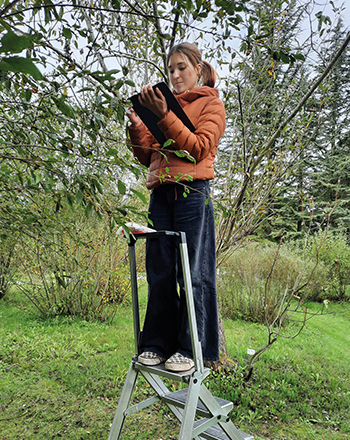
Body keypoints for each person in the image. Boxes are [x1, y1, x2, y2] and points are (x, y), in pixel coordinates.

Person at [127, 42, 226, 372]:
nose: (175, 75)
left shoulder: (211, 105)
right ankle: (156, 343)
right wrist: (137, 127)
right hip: (161, 194)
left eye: (182, 67)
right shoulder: (165, 106)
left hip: (192, 193)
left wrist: (165, 115)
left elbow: (197, 149)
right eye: (170, 69)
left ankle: (190, 346)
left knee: (191, 270)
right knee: (160, 270)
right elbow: (149, 157)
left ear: (198, 69)